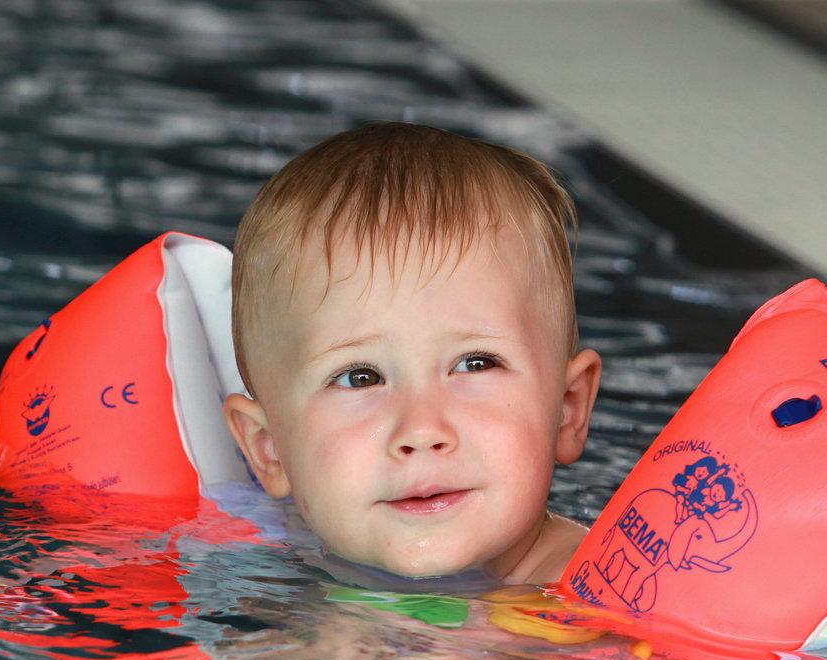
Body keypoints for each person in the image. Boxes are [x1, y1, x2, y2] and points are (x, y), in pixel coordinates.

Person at [222, 123, 602, 585]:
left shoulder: (602, 589)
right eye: (361, 377)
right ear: (269, 448)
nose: (422, 431)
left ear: (567, 410)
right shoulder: (261, 550)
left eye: (475, 363)